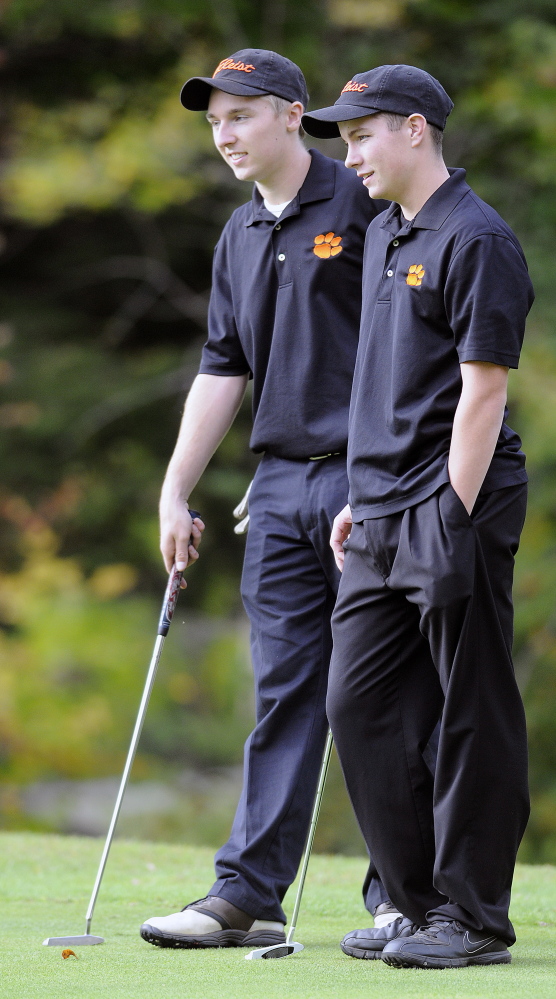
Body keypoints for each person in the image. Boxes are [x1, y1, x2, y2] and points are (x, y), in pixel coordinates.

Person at [139, 49, 393, 951]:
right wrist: (176, 490)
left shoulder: (365, 201)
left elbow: (407, 348)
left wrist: (376, 476)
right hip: (279, 484)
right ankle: (245, 894)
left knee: (377, 692)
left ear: (292, 115)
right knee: (284, 690)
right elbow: (224, 367)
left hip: (373, 478)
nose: (224, 135)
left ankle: (403, 895)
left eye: (240, 116)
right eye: (213, 122)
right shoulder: (240, 234)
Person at [302, 64, 533, 969]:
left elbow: (483, 393)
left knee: (469, 708)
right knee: (356, 702)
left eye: (360, 136)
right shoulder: (390, 231)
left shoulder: (478, 238)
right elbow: (392, 385)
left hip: (454, 500)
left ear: (413, 129)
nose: (349, 154)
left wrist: (452, 510)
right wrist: (366, 491)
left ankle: (473, 918)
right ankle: (414, 900)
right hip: (384, 505)